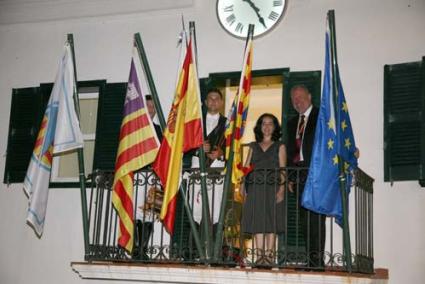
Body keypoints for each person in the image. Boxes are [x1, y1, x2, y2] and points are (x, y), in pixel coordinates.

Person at [286, 84, 326, 270]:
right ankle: (310, 260)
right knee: (304, 220)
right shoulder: (292, 123)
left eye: (300, 97)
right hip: (300, 176)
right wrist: (291, 177)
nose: (297, 101)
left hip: (317, 174)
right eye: (294, 99)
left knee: (316, 219)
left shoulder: (322, 117)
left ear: (309, 97)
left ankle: (317, 262)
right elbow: (290, 153)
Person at [241, 113, 287, 266]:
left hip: (273, 187)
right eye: (264, 124)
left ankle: (269, 256)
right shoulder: (253, 146)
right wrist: (242, 185)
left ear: (275, 127)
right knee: (258, 220)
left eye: (270, 123)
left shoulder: (280, 146)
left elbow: (283, 169)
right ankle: (260, 256)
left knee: (271, 220)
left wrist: (281, 190)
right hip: (255, 187)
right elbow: (246, 168)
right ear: (259, 127)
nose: (267, 127)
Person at [188, 88, 227, 251]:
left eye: (217, 98)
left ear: (221, 102)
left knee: (216, 207)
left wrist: (221, 153)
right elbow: (183, 146)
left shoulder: (228, 123)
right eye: (210, 98)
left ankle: (214, 250)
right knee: (196, 207)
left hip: (217, 169)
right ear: (205, 102)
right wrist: (198, 148)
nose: (213, 101)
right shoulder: (195, 123)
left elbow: (234, 148)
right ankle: (193, 250)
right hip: (198, 166)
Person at [133, 94, 163, 260]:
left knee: (150, 213)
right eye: (147, 106)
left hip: (153, 177)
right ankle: (136, 249)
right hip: (139, 175)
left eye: (153, 107)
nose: (150, 110)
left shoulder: (159, 130)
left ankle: (143, 249)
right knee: (137, 212)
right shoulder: (135, 128)